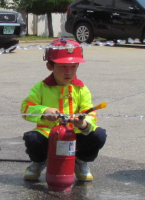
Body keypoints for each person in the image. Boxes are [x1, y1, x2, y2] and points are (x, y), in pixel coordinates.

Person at [21, 37, 107, 183]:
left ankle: (80, 161)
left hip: (75, 135)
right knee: (33, 139)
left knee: (99, 135)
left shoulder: (81, 89)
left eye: (73, 67)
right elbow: (26, 108)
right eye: (63, 67)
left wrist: (83, 124)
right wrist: (44, 111)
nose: (69, 72)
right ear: (50, 66)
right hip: (48, 135)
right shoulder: (41, 88)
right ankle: (39, 161)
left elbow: (90, 111)